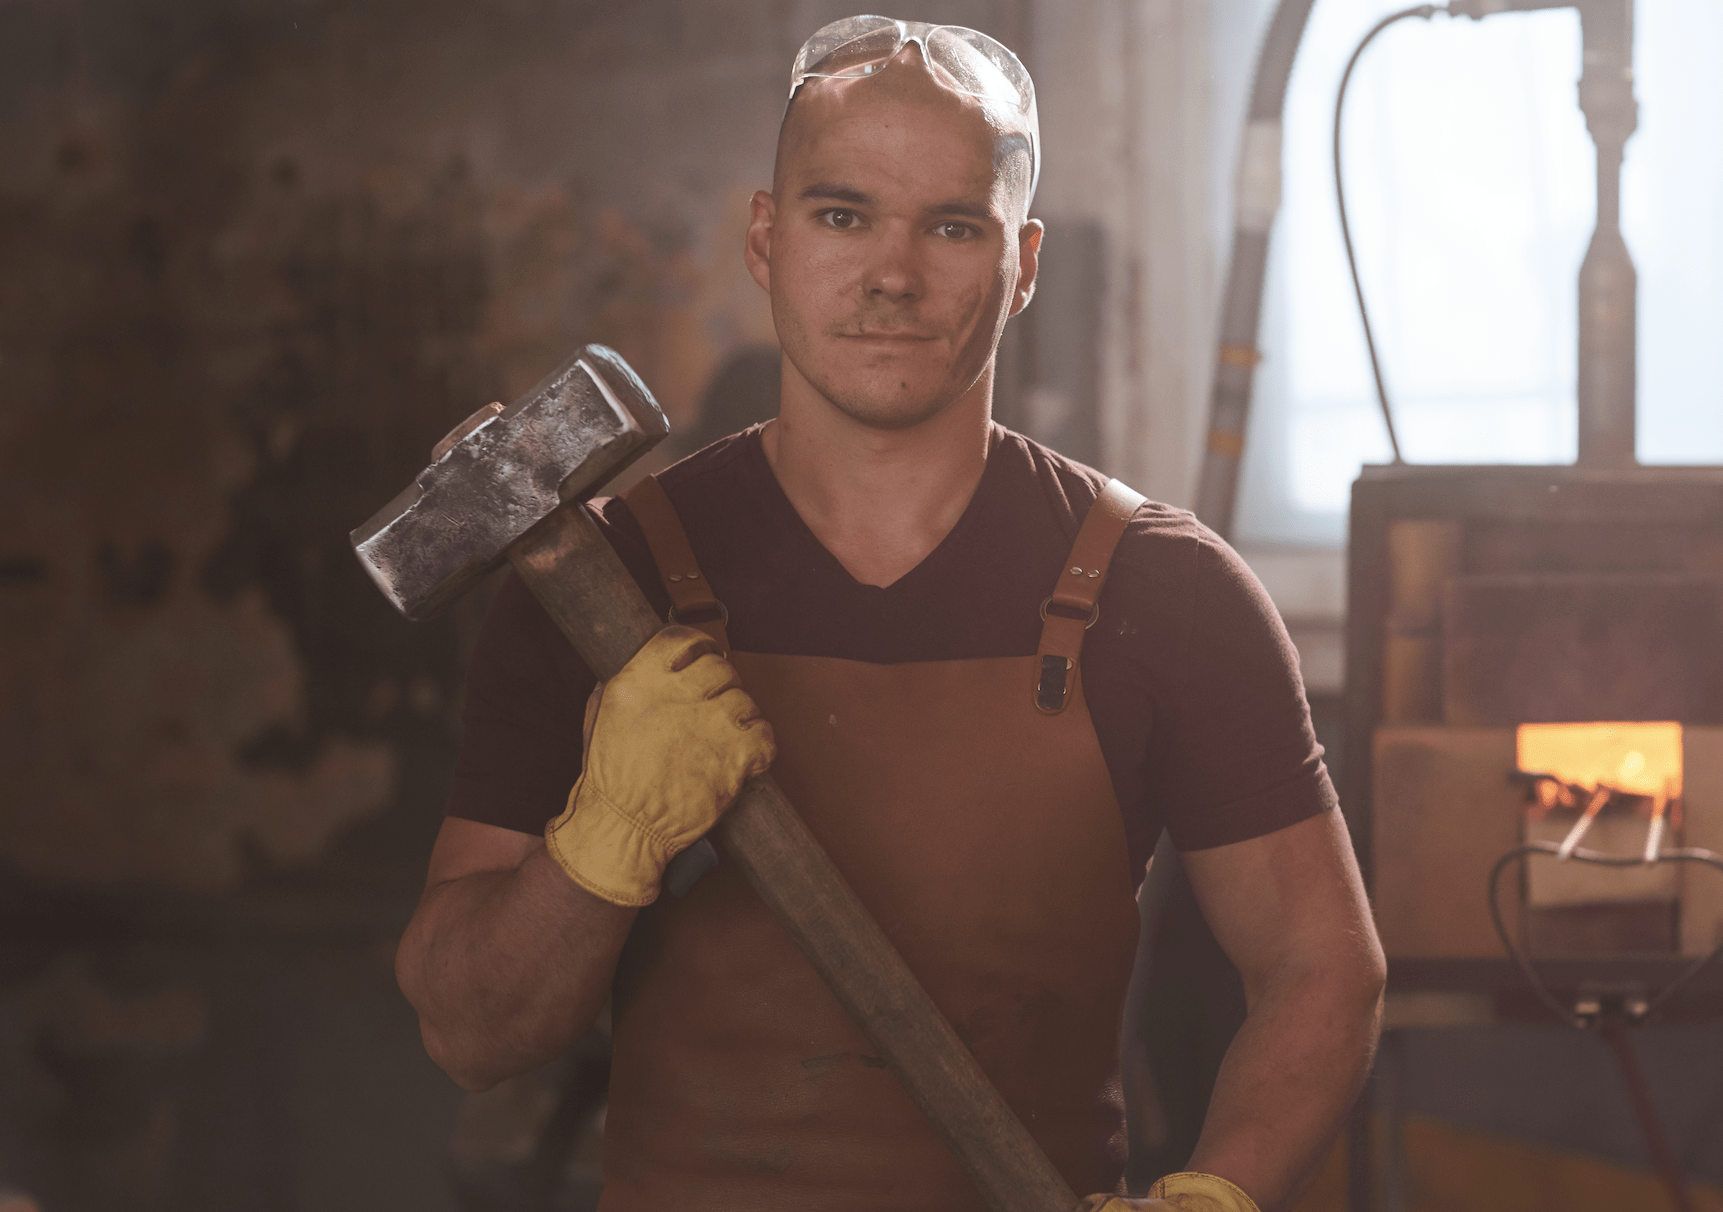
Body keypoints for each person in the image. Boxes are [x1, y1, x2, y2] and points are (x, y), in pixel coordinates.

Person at [395, 16, 1384, 1212]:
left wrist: (1220, 1194)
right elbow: (467, 1033)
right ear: (766, 239)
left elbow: (1322, 968)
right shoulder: (604, 592)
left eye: (952, 227)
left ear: (1019, 265)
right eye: (840, 214)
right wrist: (600, 841)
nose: (891, 276)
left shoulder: (1165, 595)